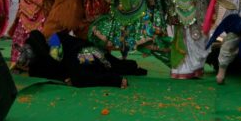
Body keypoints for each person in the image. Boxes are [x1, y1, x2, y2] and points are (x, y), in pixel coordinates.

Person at [18, 30, 147, 88]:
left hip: (89, 53)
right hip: (81, 58)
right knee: (77, 75)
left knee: (80, 76)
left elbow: (61, 66)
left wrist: (66, 76)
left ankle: (114, 80)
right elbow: (44, 71)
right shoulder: (42, 61)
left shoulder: (54, 42)